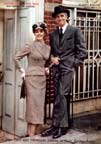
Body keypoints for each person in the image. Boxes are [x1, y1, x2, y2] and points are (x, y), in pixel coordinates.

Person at [41, 5, 87, 139]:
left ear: (66, 17)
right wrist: (52, 58)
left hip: (67, 69)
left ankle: (62, 126)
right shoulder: (53, 34)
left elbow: (82, 52)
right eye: (58, 16)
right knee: (57, 96)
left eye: (62, 16)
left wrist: (73, 64)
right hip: (56, 70)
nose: (60, 18)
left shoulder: (75, 31)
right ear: (55, 19)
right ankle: (55, 126)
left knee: (62, 94)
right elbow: (52, 52)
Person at [15, 22, 50, 136]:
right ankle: (31, 138)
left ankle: (34, 137)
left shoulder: (47, 47)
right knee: (32, 109)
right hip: (31, 80)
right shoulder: (30, 45)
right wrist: (22, 70)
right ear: (34, 33)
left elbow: (45, 62)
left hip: (42, 80)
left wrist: (46, 68)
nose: (39, 33)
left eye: (41, 31)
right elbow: (16, 57)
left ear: (44, 32)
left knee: (39, 109)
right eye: (36, 31)